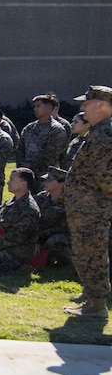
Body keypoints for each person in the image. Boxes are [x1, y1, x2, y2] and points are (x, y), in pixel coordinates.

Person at [64, 86, 112, 318]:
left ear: (100, 105)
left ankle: (97, 304)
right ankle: (94, 301)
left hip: (92, 210)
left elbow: (108, 179)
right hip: (85, 208)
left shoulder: (104, 135)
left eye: (86, 103)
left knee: (91, 255)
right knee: (86, 254)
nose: (82, 107)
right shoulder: (99, 131)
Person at [16, 94, 69, 185]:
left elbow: (51, 154)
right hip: (27, 177)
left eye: (38, 106)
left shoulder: (56, 129)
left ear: (49, 107)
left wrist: (31, 165)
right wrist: (22, 166)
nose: (35, 109)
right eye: (35, 106)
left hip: (46, 178)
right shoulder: (29, 128)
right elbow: (20, 149)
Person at [35, 166, 71, 267]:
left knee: (55, 241)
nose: (45, 183)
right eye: (45, 180)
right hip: (43, 236)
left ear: (62, 183)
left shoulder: (69, 201)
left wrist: (38, 237)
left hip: (64, 237)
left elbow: (63, 227)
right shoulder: (41, 197)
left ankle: (69, 264)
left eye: (49, 180)